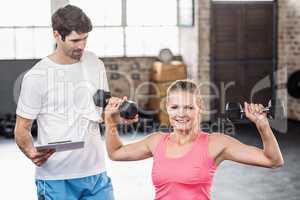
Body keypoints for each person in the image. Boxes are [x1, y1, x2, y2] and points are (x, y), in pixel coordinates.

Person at [104, 79, 284, 200]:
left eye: (189, 107)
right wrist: (109, 119)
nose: (181, 114)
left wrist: (262, 124)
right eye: (175, 107)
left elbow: (273, 160)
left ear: (200, 107)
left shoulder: (216, 143)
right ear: (167, 107)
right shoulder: (156, 141)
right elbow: (115, 153)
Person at [15, 5, 115, 200]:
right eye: (75, 40)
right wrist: (30, 152)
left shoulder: (95, 62)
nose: (82, 46)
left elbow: (103, 107)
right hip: (56, 177)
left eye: (85, 38)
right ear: (57, 35)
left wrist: (116, 113)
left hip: (96, 172)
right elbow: (22, 128)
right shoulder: (37, 76)